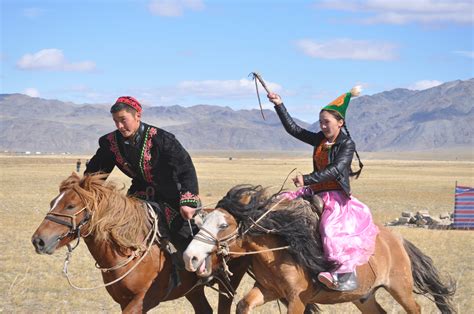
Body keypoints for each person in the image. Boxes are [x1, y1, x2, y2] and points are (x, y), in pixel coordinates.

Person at [267, 87, 379, 291]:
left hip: (336, 195)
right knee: (280, 201)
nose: (323, 126)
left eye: (326, 122)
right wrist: (279, 105)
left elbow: (336, 170)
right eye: (320, 122)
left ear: (340, 123)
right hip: (315, 190)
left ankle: (343, 275)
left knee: (329, 228)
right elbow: (295, 130)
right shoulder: (320, 139)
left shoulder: (347, 144)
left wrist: (307, 178)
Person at [85, 96, 201, 280]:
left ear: (137, 116)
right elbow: (96, 172)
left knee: (183, 233)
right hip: (139, 193)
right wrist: (84, 191)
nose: (120, 126)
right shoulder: (109, 143)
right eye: (116, 121)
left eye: (123, 120)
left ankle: (201, 270)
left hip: (171, 194)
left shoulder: (163, 139)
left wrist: (188, 202)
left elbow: (185, 168)